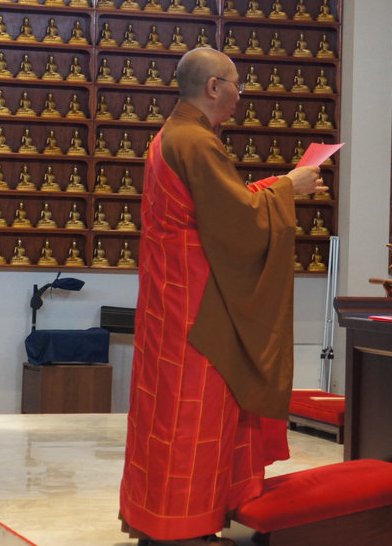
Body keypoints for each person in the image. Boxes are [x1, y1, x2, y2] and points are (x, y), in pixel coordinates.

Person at [120, 48, 324, 546]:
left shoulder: (173, 136)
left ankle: (159, 520)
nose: (240, 95)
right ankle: (184, 530)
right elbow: (237, 222)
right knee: (195, 415)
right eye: (237, 85)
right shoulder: (196, 141)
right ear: (213, 87)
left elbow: (219, 208)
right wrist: (288, 187)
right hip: (198, 306)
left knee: (166, 413)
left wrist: (273, 188)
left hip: (172, 298)